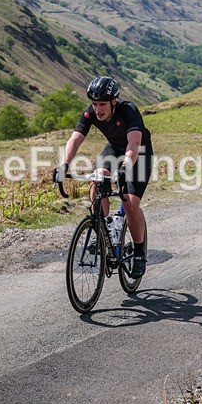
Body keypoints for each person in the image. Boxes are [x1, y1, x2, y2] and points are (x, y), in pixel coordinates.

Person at [55, 76, 153, 279]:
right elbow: (74, 139)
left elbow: (134, 144)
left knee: (129, 203)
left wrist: (126, 166)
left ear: (113, 102)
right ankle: (103, 227)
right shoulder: (90, 112)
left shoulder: (129, 111)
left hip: (138, 154)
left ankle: (139, 253)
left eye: (102, 104)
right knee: (98, 177)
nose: (97, 109)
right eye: (94, 104)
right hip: (114, 149)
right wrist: (65, 165)